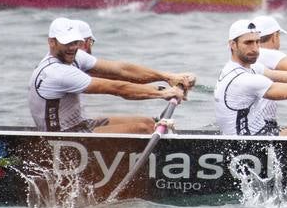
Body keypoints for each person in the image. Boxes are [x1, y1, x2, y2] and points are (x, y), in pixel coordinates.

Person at [27, 18, 195, 134]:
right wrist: (162, 93)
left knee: (149, 123)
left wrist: (167, 76)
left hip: (80, 126)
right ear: (52, 42)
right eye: (67, 43)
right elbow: (116, 88)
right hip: (61, 140)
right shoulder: (56, 72)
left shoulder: (75, 56)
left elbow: (122, 70)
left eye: (75, 42)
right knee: (143, 130)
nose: (72, 47)